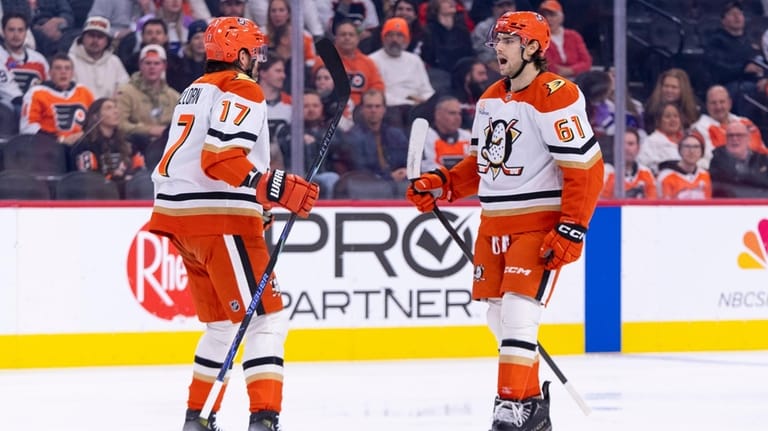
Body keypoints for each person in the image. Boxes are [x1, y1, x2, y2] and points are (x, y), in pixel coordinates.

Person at [406, 11, 603, 431]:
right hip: (494, 223)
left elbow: (586, 167)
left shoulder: (556, 94)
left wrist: (573, 226)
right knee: (498, 317)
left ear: (533, 47)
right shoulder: (490, 97)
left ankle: (510, 405)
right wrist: (440, 182)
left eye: (508, 41)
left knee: (518, 313)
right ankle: (532, 406)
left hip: (538, 222)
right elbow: (482, 164)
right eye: (497, 41)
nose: (498, 48)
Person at [147, 17, 319, 431]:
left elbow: (203, 159)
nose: (257, 60)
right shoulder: (241, 86)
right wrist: (271, 185)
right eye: (254, 52)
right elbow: (219, 157)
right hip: (217, 218)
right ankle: (264, 418)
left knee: (223, 325)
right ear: (239, 55)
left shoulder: (193, 90)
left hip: (181, 220)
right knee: (267, 319)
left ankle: (198, 418)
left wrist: (255, 199)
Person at [369, 17, 435, 129]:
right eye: (390, 35)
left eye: (399, 35)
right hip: (391, 107)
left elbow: (427, 90)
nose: (394, 39)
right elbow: (377, 94)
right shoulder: (372, 60)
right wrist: (405, 102)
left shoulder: (415, 60)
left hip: (417, 107)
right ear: (383, 38)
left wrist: (424, 101)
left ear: (407, 40)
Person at [116, 44, 180, 153]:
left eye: (156, 63)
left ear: (164, 66)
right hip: (136, 147)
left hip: (167, 147)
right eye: (148, 63)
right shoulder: (125, 92)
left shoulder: (174, 96)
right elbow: (120, 124)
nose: (152, 67)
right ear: (140, 65)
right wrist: (150, 130)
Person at [19, 53, 94, 146]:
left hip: (80, 145)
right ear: (50, 73)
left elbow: (95, 120)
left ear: (72, 73)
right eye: (58, 68)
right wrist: (59, 140)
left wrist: (84, 135)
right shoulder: (36, 93)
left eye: (67, 68)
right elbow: (28, 128)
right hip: (49, 146)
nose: (63, 72)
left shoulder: (84, 91)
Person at [691, 84, 768, 168]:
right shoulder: (700, 129)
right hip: (725, 176)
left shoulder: (746, 123)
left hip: (758, 172)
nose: (718, 107)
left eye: (722, 102)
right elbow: (709, 160)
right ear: (707, 105)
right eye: (713, 103)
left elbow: (762, 150)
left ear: (730, 103)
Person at [71, 97, 145, 184]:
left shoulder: (128, 142)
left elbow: (140, 171)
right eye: (109, 108)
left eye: (115, 107)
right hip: (100, 193)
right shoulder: (85, 144)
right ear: (96, 116)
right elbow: (89, 178)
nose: (116, 111)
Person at [68, 16, 130, 99]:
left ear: (107, 41)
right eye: (91, 36)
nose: (95, 40)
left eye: (100, 37)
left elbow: (124, 90)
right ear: (82, 38)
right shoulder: (70, 61)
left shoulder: (114, 62)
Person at [709, 121, 768, 197]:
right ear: (725, 139)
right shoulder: (716, 159)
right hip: (729, 205)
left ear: (748, 138)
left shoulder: (762, 160)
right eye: (730, 135)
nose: (735, 139)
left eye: (739, 135)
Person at [538, 0, 592, 80]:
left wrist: (571, 70)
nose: (548, 19)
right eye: (544, 16)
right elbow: (548, 66)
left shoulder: (574, 36)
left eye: (552, 15)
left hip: (578, 80)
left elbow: (587, 62)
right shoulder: (539, 38)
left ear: (561, 17)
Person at [0, 12, 49, 97]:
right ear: (3, 32)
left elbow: (49, 88)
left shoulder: (39, 60)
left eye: (20, 30)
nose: (16, 35)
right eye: (11, 30)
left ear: (26, 32)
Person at [601, 127, 656, 199]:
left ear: (638, 148)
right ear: (615, 147)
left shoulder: (646, 173)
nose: (626, 148)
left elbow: (653, 204)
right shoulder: (605, 172)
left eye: (631, 144)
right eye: (622, 143)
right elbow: (600, 204)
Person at [422, 95, 471, 171]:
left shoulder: (467, 137)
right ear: (438, 115)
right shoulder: (425, 137)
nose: (458, 118)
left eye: (459, 113)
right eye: (452, 113)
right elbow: (427, 167)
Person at [657, 132, 711, 199]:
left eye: (696, 147)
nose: (691, 151)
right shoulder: (666, 176)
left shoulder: (705, 175)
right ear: (680, 150)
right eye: (687, 146)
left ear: (702, 152)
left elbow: (707, 204)